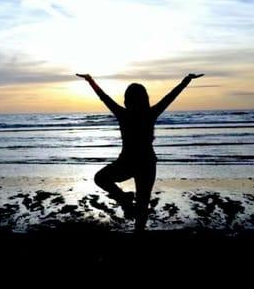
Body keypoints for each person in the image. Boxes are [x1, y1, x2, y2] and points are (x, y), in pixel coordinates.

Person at [76, 73, 204, 231]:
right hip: (144, 163)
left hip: (130, 162)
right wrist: (185, 81)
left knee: (102, 179)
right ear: (145, 98)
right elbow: (170, 97)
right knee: (142, 203)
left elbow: (104, 97)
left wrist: (91, 81)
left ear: (127, 99)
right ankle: (132, 217)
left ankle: (126, 201)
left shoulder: (124, 113)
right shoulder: (149, 113)